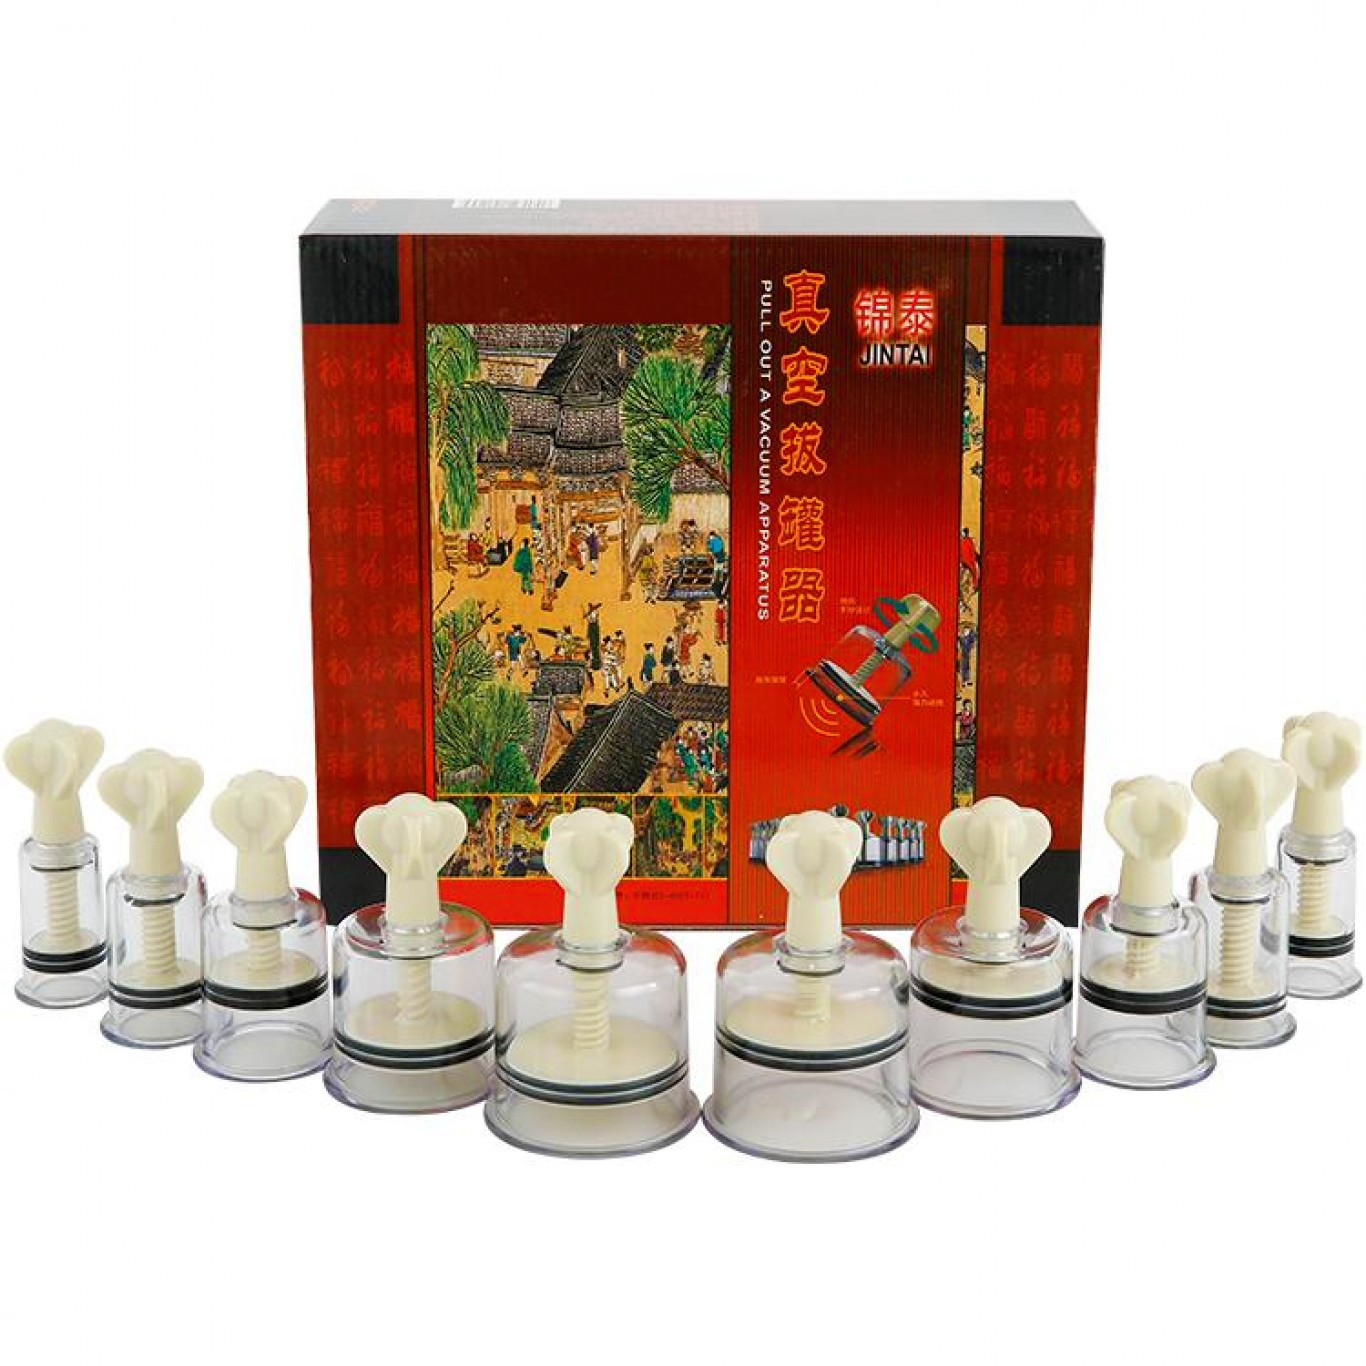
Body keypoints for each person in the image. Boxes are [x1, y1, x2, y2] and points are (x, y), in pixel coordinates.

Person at [584, 603, 602, 671]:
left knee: (595, 646)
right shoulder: (591, 614)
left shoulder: (594, 613)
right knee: (593, 645)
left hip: (594, 629)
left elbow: (593, 619)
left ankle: (596, 662)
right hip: (592, 629)